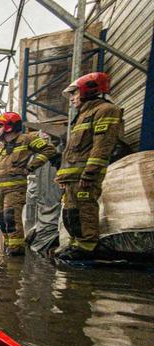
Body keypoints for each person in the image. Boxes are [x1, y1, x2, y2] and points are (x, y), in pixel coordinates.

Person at [55, 72, 123, 261]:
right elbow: (72, 152)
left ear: (88, 89)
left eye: (74, 93)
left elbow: (102, 146)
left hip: (85, 176)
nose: (72, 99)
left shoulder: (105, 110)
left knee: (85, 211)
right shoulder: (82, 116)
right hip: (73, 178)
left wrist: (90, 174)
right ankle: (77, 245)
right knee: (71, 213)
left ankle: (87, 247)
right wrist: (62, 177)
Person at [0, 112, 57, 255]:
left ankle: (17, 252)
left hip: (15, 188)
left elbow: (49, 150)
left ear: (9, 127)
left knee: (11, 218)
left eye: (0, 126)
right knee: (2, 220)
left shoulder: (27, 139)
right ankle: (9, 249)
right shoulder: (0, 147)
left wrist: (31, 166)